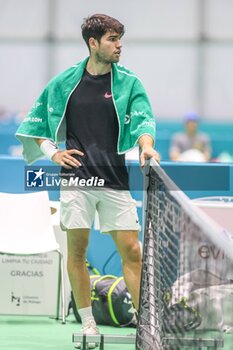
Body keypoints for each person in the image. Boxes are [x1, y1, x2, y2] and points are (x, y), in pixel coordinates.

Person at [16, 14, 160, 348]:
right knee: (77, 252)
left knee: (132, 252)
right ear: (93, 43)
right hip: (77, 180)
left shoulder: (129, 83)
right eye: (112, 39)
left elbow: (143, 121)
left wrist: (147, 146)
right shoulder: (66, 82)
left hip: (114, 178)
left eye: (120, 38)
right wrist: (54, 154)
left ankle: (145, 325)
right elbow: (36, 125)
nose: (119, 45)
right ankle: (89, 323)